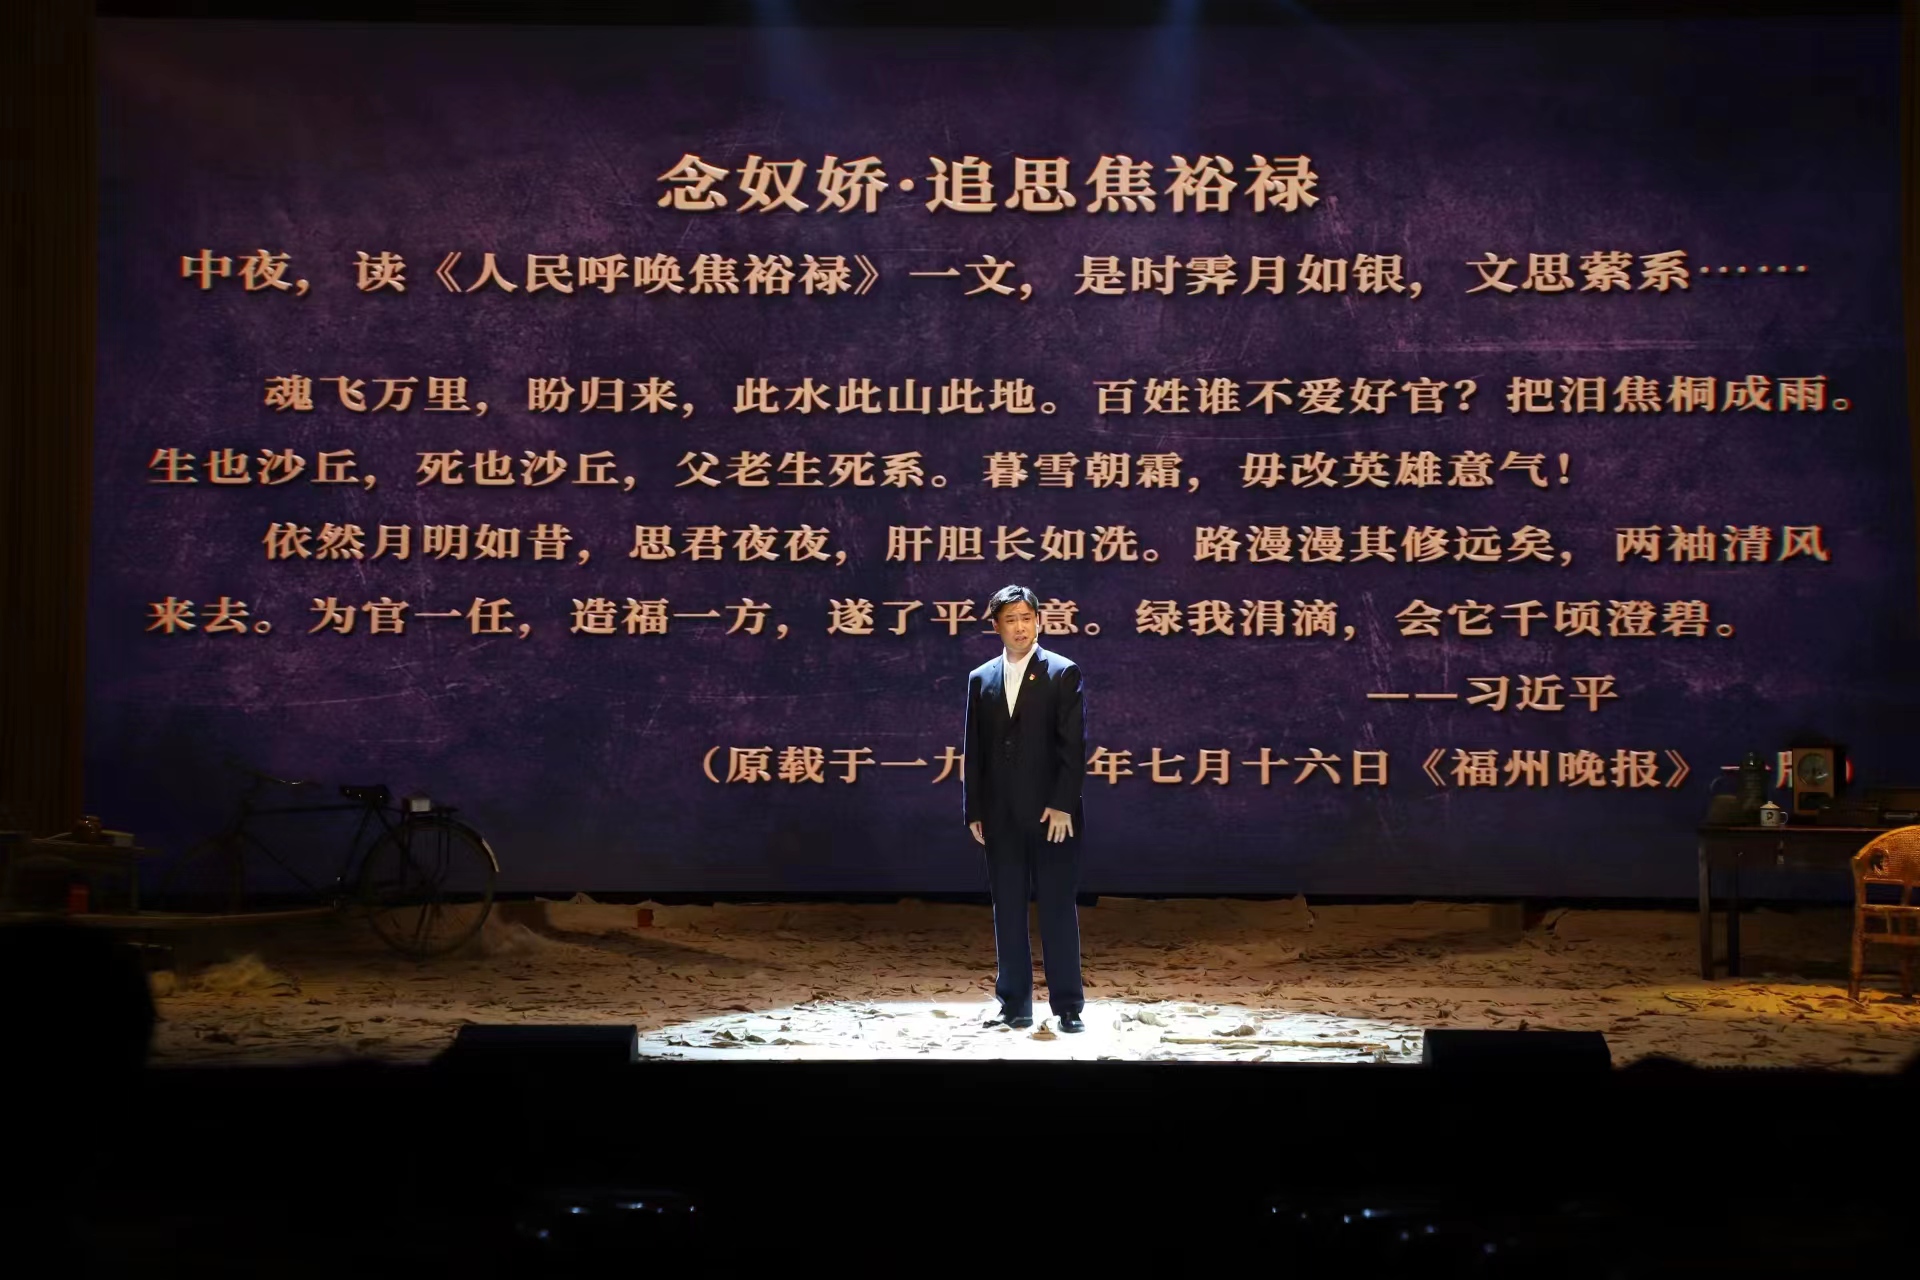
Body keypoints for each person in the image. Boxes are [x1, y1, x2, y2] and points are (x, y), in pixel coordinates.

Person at [962, 585, 1087, 1032]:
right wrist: (974, 809)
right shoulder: (981, 678)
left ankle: (1068, 1007)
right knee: (1008, 910)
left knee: (1056, 908)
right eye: (1011, 619)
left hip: (1053, 816)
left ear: (1039, 621)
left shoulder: (1061, 672)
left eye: (1026, 618)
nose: (1020, 627)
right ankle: (1014, 1005)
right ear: (996, 626)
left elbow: (1073, 747)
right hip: (1001, 815)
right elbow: (974, 751)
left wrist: (1062, 804)